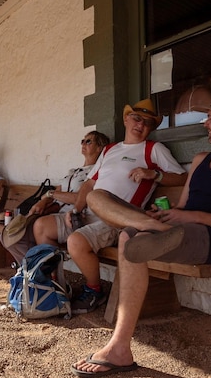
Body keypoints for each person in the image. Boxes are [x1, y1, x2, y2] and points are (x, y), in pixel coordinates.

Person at [71, 89, 211, 378]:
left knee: (130, 239)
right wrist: (164, 214)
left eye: (209, 118)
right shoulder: (201, 160)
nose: (205, 123)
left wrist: (191, 216)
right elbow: (182, 206)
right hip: (175, 228)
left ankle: (119, 347)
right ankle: (155, 228)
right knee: (98, 197)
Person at [64, 99, 186, 314]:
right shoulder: (110, 149)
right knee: (41, 227)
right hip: (90, 212)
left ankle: (94, 291)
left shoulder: (153, 149)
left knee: (76, 239)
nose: (141, 125)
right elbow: (90, 182)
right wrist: (75, 210)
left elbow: (183, 178)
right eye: (137, 118)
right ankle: (46, 283)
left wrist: (154, 174)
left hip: (121, 218)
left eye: (148, 122)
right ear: (126, 119)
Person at [1, 131, 110, 264]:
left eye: (88, 141)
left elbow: (78, 198)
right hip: (55, 212)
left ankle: (48, 273)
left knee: (38, 227)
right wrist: (43, 201)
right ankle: (32, 269)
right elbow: (56, 191)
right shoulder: (74, 171)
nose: (83, 144)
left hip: (76, 217)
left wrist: (50, 194)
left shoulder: (96, 173)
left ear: (100, 147)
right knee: (11, 235)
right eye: (82, 141)